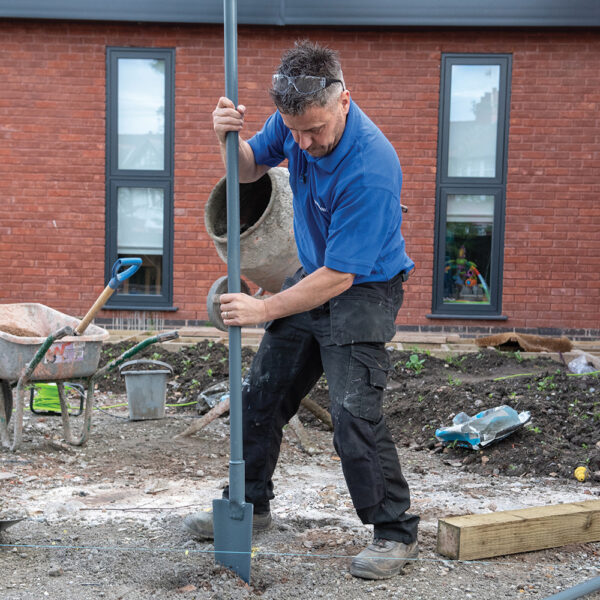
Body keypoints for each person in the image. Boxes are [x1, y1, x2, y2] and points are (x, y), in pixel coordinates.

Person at [184, 40, 419, 580]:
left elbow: (340, 277)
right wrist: (230, 136)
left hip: (363, 289)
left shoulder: (372, 166)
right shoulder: (294, 122)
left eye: (315, 130)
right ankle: (250, 506)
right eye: (295, 131)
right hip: (310, 275)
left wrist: (264, 309)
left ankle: (394, 530)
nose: (305, 143)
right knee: (260, 397)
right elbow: (247, 170)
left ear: (344, 100)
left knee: (353, 414)